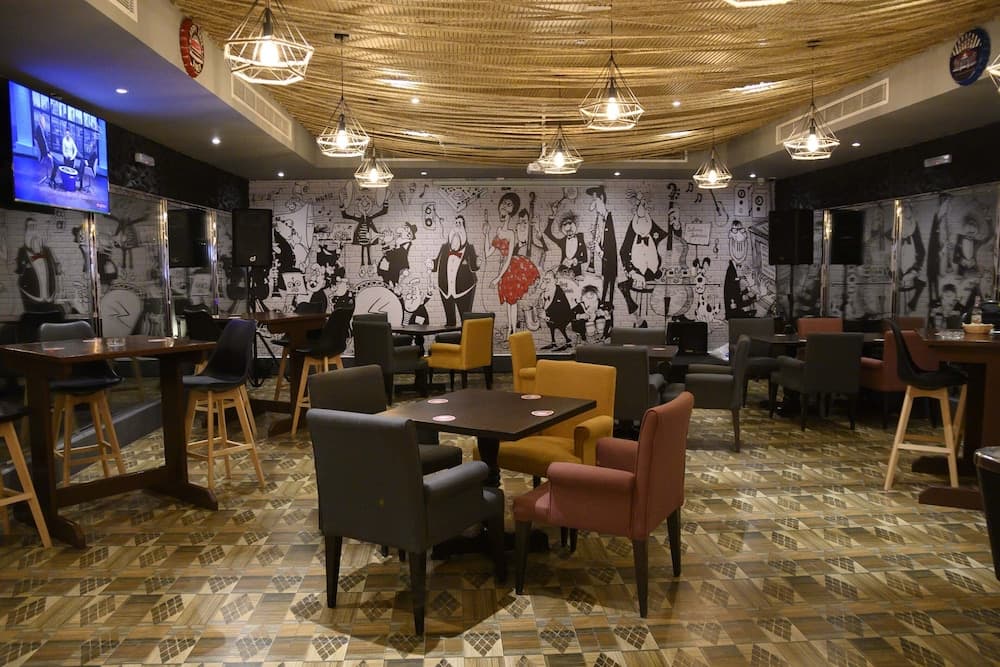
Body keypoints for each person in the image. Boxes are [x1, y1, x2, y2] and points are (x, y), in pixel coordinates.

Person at [487, 206, 541, 337]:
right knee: (508, 302)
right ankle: (510, 329)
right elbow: (487, 253)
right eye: (501, 214)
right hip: (503, 268)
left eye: (505, 214)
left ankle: (513, 332)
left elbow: (509, 257)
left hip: (511, 268)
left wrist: (497, 278)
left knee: (513, 302)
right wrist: (486, 234)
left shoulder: (511, 233)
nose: (503, 216)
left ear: (510, 216)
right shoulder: (498, 232)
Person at [428, 215, 479, 326]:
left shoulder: (469, 249)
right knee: (449, 321)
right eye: (456, 223)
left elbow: (474, 267)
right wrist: (431, 264)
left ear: (464, 229)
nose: (457, 226)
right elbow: (435, 265)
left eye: (460, 223)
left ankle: (465, 336)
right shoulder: (444, 248)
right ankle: (450, 335)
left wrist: (478, 262)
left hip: (464, 290)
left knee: (465, 320)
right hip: (445, 290)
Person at [16, 217, 61, 312]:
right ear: (26, 231)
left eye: (35, 226)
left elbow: (56, 270)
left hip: (49, 297)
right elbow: (19, 272)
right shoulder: (22, 252)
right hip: (31, 297)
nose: (33, 231)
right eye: (30, 227)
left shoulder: (47, 250)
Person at [587, 185, 618, 308]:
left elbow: (612, 243)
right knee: (605, 281)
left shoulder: (610, 218)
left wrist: (599, 250)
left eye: (595, 201)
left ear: (601, 199)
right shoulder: (601, 220)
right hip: (605, 260)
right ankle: (604, 302)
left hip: (611, 260)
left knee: (610, 281)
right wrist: (595, 239)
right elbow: (603, 240)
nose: (594, 206)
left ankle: (608, 303)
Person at [544, 210, 588, 277]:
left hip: (576, 274)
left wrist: (575, 260)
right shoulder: (562, 241)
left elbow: (585, 258)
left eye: (570, 223)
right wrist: (552, 217)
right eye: (564, 224)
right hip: (562, 273)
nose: (567, 226)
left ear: (575, 224)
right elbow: (547, 233)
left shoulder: (580, 239)